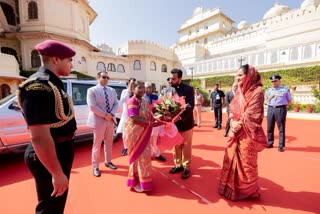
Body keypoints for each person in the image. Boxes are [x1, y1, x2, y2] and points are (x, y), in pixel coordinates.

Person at [18, 40, 77, 213]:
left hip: (60, 148)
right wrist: (57, 173)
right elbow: (39, 136)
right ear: (56, 59)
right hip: (51, 151)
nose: (72, 64)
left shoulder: (53, 82)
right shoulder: (39, 87)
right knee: (50, 207)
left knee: (57, 204)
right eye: (69, 60)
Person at [219, 64, 268, 201]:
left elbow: (253, 114)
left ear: (249, 75)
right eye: (237, 75)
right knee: (230, 156)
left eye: (240, 75)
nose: (237, 78)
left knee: (246, 163)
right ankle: (229, 187)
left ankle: (247, 192)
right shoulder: (240, 90)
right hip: (236, 131)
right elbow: (232, 108)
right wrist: (232, 121)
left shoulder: (257, 91)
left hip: (247, 134)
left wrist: (237, 125)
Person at [123, 81, 162, 192]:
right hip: (134, 132)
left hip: (144, 131)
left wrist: (162, 119)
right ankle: (135, 181)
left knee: (145, 156)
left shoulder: (144, 101)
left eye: (143, 88)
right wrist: (149, 123)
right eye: (139, 88)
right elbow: (134, 116)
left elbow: (150, 116)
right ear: (133, 89)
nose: (141, 90)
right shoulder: (132, 101)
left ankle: (144, 180)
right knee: (137, 156)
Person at [87, 71, 119, 177]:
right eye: (104, 77)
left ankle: (108, 161)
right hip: (98, 120)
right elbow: (92, 106)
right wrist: (105, 115)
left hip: (110, 120)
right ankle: (95, 166)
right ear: (98, 78)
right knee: (96, 144)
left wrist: (111, 114)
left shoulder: (112, 90)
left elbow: (116, 103)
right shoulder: (92, 90)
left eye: (107, 77)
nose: (106, 79)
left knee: (109, 142)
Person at [167, 68, 194, 179]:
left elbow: (190, 106)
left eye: (173, 79)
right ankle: (178, 165)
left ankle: (186, 167)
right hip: (174, 125)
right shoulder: (169, 90)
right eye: (170, 78)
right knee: (176, 145)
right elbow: (166, 105)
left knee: (186, 145)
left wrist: (180, 118)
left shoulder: (188, 89)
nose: (171, 80)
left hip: (186, 123)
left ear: (180, 78)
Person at [265, 75, 292, 152]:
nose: (273, 82)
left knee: (281, 128)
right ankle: (270, 143)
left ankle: (281, 146)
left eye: (275, 81)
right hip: (270, 109)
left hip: (280, 109)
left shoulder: (285, 90)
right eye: (272, 81)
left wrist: (283, 106)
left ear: (279, 81)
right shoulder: (268, 90)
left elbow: (289, 100)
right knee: (269, 128)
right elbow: (266, 100)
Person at [143, 82, 166, 162]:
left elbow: (160, 107)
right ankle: (147, 155)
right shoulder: (142, 97)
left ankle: (157, 154)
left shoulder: (155, 96)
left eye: (150, 87)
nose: (149, 89)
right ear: (144, 88)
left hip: (155, 121)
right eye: (147, 88)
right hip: (146, 121)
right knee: (147, 139)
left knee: (155, 138)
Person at [113, 78, 136, 157]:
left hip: (134, 115)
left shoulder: (136, 92)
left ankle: (133, 147)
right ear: (128, 83)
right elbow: (122, 100)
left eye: (134, 83)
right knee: (124, 134)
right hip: (126, 115)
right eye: (131, 83)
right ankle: (126, 147)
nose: (132, 85)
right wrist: (129, 90)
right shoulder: (124, 91)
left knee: (133, 133)